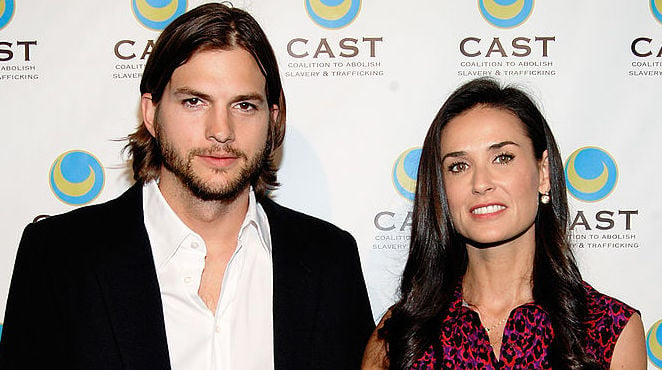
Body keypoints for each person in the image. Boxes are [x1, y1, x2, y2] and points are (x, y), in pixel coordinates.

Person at [0, 3, 374, 369]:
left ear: (272, 119)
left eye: (244, 105)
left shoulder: (331, 261)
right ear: (151, 112)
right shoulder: (59, 259)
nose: (221, 131)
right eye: (194, 101)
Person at [362, 78, 646, 369]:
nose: (481, 183)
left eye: (502, 158)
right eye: (459, 166)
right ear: (441, 188)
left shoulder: (608, 329)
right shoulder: (399, 335)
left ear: (544, 172)